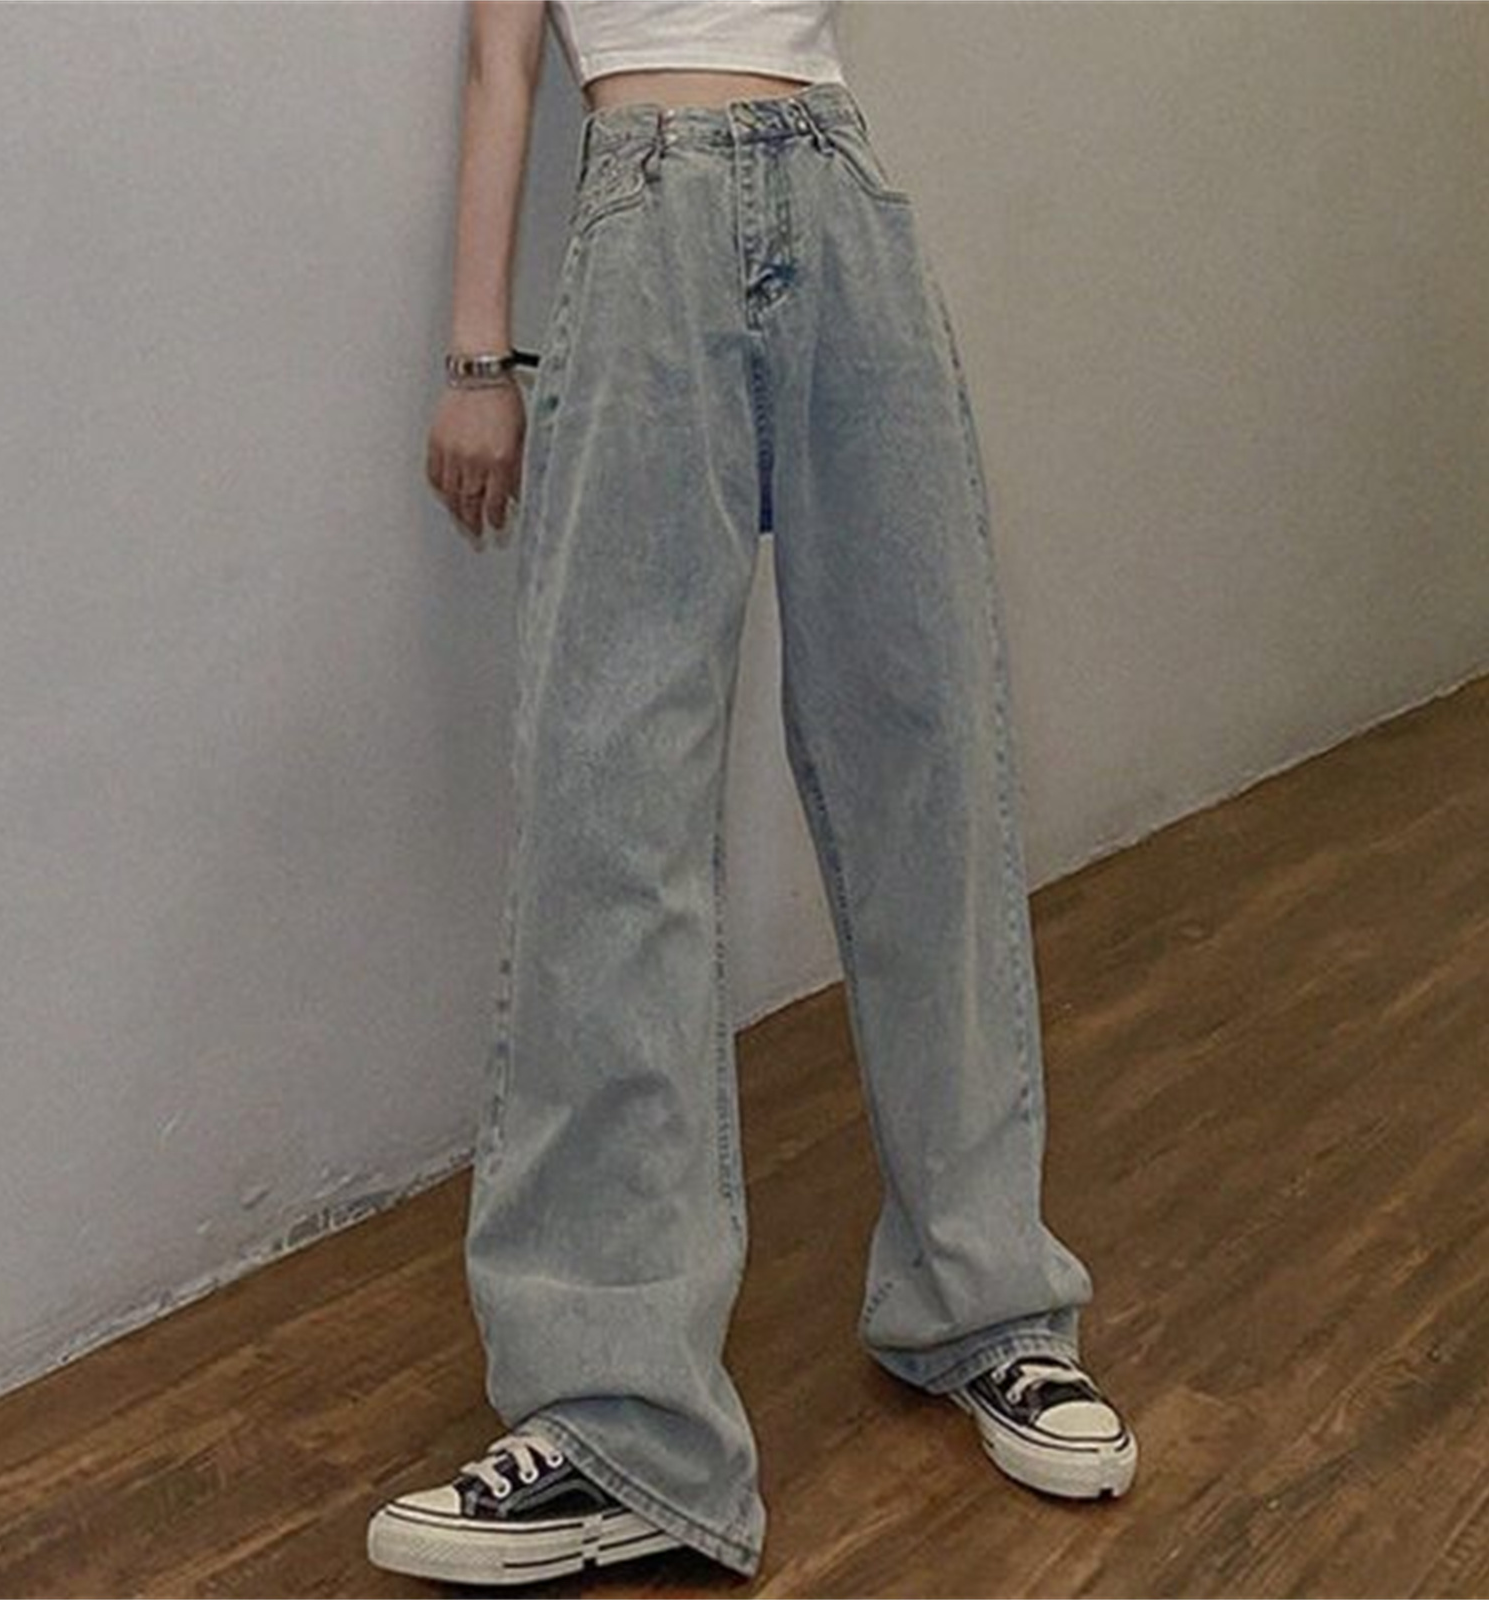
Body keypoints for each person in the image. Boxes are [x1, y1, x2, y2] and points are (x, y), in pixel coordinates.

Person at [367, 0, 1138, 1586]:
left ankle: (987, 1305)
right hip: (644, 213)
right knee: (613, 812)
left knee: (928, 771)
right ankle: (618, 1419)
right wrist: (477, 359)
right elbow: (503, 57)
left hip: (841, 194)